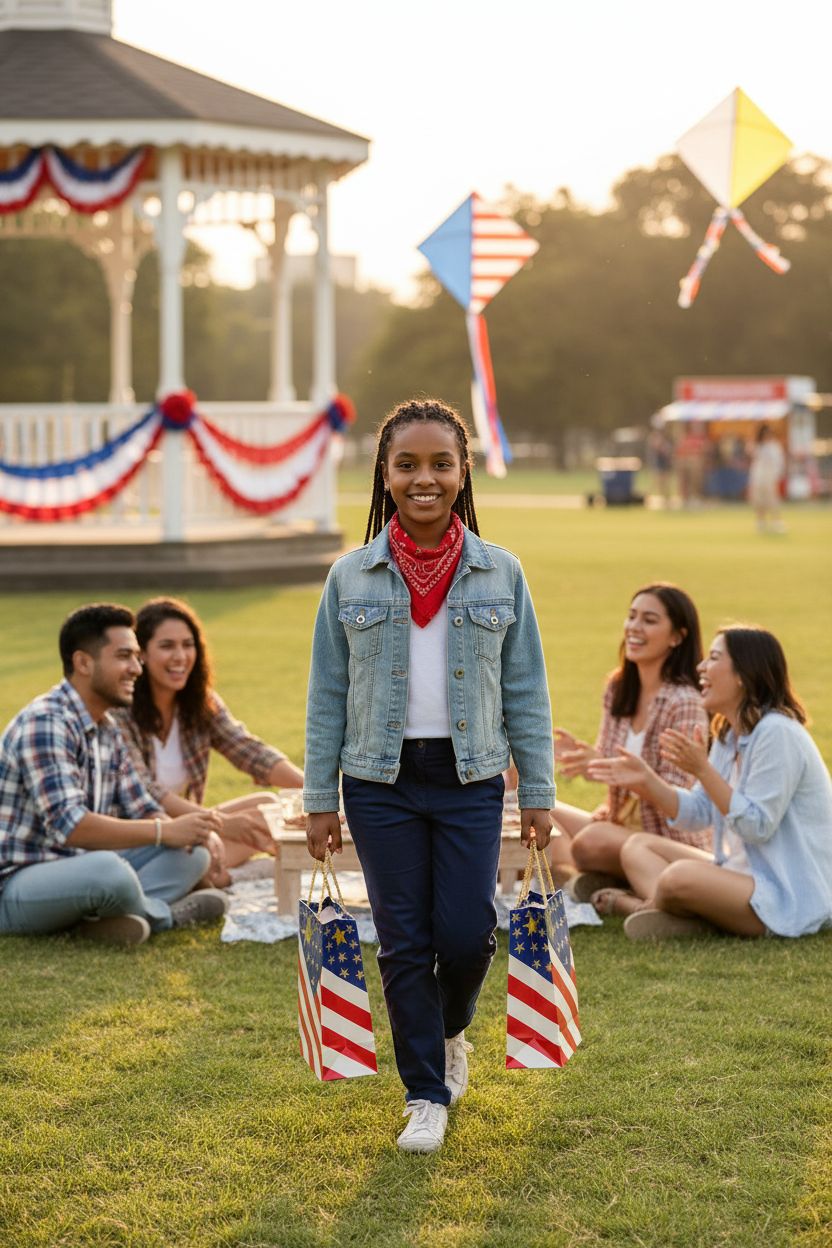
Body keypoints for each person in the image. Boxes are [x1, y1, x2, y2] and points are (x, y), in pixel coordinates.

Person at [304, 398, 555, 1154]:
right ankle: (425, 1093)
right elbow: (326, 695)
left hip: (471, 779)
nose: (424, 478)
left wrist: (538, 791)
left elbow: (526, 692)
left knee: (470, 933)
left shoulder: (499, 572)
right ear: (383, 475)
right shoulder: (349, 577)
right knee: (404, 941)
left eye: (440, 463)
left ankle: (447, 1031)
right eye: (406, 464)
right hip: (377, 784)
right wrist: (320, 800)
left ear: (462, 470)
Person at [0, 604, 228, 947]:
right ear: (83, 663)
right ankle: (164, 915)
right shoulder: (46, 722)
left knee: (192, 854)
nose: (137, 669)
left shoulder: (107, 727)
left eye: (137, 657)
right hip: (16, 883)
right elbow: (72, 826)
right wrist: (165, 830)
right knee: (109, 871)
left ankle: (105, 919)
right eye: (125, 657)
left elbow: (142, 805)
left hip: (79, 868)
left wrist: (188, 833)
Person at [587, 626, 832, 940]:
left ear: (743, 674)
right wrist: (647, 780)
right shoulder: (730, 735)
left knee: (678, 877)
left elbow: (757, 826)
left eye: (714, 658)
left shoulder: (778, 733)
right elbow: (699, 811)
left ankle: (639, 906)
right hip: (739, 874)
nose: (701, 668)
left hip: (784, 893)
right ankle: (690, 915)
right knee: (637, 846)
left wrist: (703, 770)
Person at [113, 597, 303, 888]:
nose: (180, 656)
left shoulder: (199, 704)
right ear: (142, 655)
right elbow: (147, 792)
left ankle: (210, 875)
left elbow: (250, 751)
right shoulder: (120, 713)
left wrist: (317, 792)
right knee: (201, 851)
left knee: (268, 808)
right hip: (139, 834)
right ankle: (216, 876)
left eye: (187, 645)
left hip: (187, 830)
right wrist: (221, 823)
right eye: (167, 646)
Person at [550, 584, 710, 904]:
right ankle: (598, 878)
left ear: (677, 637)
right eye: (632, 617)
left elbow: (680, 798)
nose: (635, 627)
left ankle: (604, 880)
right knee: (540, 814)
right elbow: (612, 764)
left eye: (649, 620)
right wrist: (590, 760)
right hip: (617, 825)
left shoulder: (685, 702)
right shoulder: (619, 687)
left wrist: (619, 771)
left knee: (588, 842)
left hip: (665, 839)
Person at [747, 423, 786, 533]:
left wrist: (778, 475)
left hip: (770, 475)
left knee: (773, 499)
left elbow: (779, 462)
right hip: (758, 475)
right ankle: (761, 522)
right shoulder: (757, 446)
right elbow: (751, 453)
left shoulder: (774, 446)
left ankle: (776, 522)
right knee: (759, 500)